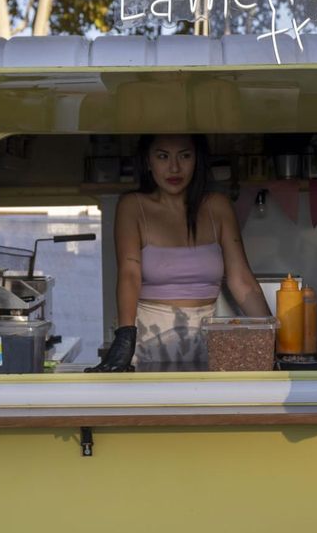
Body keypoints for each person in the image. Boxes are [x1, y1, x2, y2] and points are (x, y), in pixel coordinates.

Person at [88, 134, 272, 371]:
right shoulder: (132, 206)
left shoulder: (218, 206)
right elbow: (129, 274)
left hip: (208, 339)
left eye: (185, 156)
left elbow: (242, 280)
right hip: (148, 340)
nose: (174, 167)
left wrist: (273, 336)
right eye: (162, 156)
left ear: (197, 160)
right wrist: (125, 336)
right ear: (147, 161)